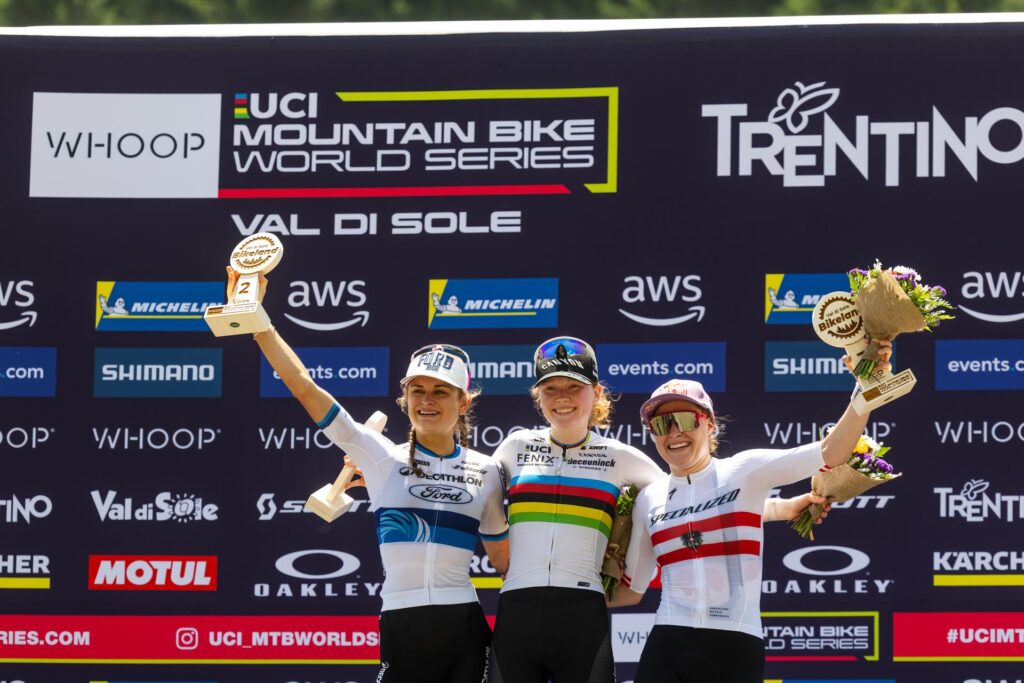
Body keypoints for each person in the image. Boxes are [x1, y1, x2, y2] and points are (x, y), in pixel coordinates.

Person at [488, 336, 826, 683]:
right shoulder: (514, 447)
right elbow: (478, 500)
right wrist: (497, 551)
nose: (562, 397)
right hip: (517, 611)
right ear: (538, 395)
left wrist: (775, 508)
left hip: (583, 615)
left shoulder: (621, 457)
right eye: (550, 388)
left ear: (596, 392)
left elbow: (688, 503)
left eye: (574, 386)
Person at [229, 269, 509, 683]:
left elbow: (506, 563)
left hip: (464, 626)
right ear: (405, 398)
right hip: (401, 623)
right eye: (418, 390)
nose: (427, 400)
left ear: (463, 402)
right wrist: (259, 325)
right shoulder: (378, 456)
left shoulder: (487, 470)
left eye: (440, 391)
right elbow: (304, 387)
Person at [611, 342, 892, 683]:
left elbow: (832, 452)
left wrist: (865, 388)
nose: (674, 433)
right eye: (661, 424)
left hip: (735, 647)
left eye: (685, 420)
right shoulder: (648, 498)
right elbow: (632, 590)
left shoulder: (745, 471)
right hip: (668, 641)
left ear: (709, 424)